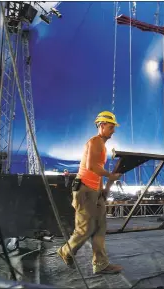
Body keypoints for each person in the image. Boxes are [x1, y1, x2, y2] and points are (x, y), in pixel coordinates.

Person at [57, 111, 123, 274]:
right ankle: (66, 251)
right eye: (110, 127)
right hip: (85, 190)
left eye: (114, 127)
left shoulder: (102, 145)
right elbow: (91, 166)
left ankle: (100, 264)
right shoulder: (95, 142)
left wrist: (102, 191)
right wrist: (111, 176)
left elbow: (96, 171)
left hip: (94, 190)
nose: (113, 131)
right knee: (85, 229)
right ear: (101, 126)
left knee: (100, 227)